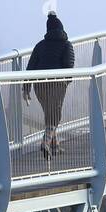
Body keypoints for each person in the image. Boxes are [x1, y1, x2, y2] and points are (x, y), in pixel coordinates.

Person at [24, 13, 75, 158]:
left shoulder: (40, 45)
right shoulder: (66, 45)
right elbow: (69, 65)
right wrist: (66, 80)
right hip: (57, 84)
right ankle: (45, 142)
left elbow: (31, 67)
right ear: (61, 28)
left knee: (49, 112)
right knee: (55, 115)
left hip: (40, 85)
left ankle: (55, 145)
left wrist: (26, 88)